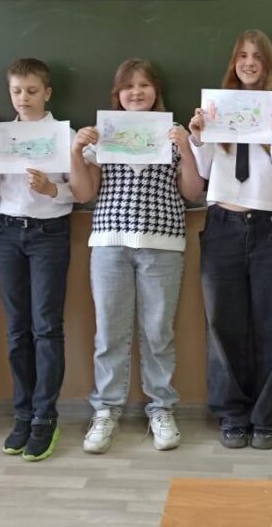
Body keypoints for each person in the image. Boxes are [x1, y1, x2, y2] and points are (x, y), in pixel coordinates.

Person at [71, 58, 205, 454]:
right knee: (109, 333)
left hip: (163, 242)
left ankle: (161, 408)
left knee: (158, 332)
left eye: (144, 85)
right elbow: (83, 193)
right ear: (117, 94)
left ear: (156, 91)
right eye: (128, 86)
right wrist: (77, 152)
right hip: (109, 241)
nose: (136, 92)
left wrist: (186, 148)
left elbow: (192, 192)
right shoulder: (103, 135)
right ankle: (105, 410)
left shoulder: (173, 132)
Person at [187, 30, 272, 450]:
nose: (249, 62)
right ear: (233, 62)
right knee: (223, 322)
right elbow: (204, 173)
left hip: (270, 224)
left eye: (257, 56)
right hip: (223, 221)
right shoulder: (216, 105)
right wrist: (198, 137)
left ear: (268, 63)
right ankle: (232, 413)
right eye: (242, 56)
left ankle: (267, 415)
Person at [0, 58, 74, 461]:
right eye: (17, 91)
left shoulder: (64, 134)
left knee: (46, 327)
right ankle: (22, 414)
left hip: (48, 233)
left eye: (32, 91)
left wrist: (51, 189)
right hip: (8, 233)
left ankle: (44, 417)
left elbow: (78, 192)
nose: (24, 98)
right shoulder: (3, 135)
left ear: (47, 93)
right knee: (17, 329)